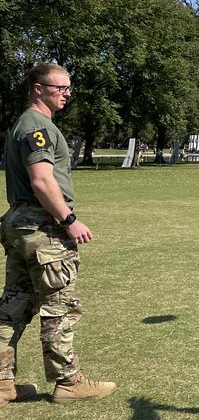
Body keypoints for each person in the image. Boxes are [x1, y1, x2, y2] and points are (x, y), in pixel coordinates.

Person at [0, 63, 117, 406]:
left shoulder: (23, 124)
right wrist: (68, 220)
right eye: (59, 87)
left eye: (68, 88)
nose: (66, 93)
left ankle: (2, 384)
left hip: (20, 224)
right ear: (38, 88)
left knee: (14, 306)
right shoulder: (38, 127)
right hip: (43, 228)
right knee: (59, 306)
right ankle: (68, 381)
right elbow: (41, 180)